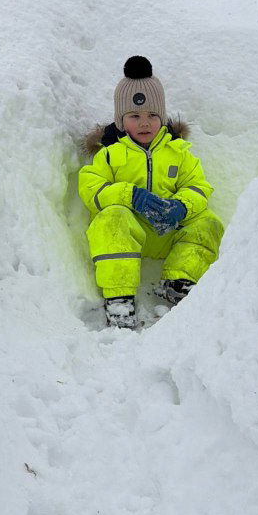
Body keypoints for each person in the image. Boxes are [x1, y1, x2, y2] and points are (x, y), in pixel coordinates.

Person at [79, 56, 224, 328]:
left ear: (163, 117)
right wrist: (129, 195)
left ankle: (180, 279)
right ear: (122, 121)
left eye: (152, 116)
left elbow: (198, 186)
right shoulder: (110, 153)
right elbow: (92, 189)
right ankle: (119, 296)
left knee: (208, 222)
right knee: (111, 219)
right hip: (128, 231)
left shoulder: (178, 152)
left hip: (167, 229)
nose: (144, 123)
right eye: (135, 116)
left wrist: (181, 206)